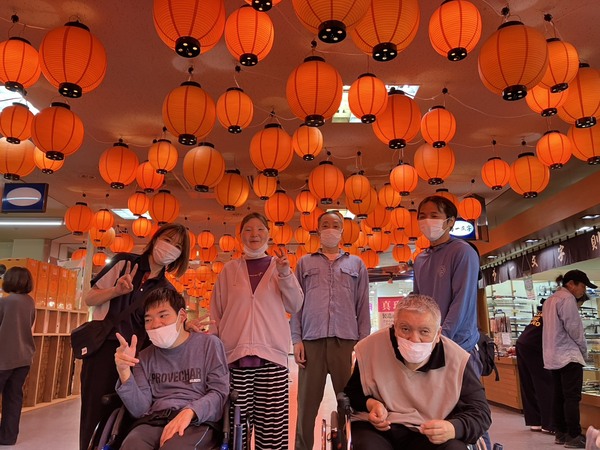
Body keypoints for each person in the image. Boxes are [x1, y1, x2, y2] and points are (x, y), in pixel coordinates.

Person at [79, 223, 190, 450]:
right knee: (94, 413)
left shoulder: (167, 289)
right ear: (156, 239)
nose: (170, 248)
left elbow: (166, 326)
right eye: (168, 240)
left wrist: (187, 326)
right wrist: (116, 291)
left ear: (180, 256)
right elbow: (89, 298)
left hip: (138, 359)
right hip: (103, 351)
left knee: (129, 416)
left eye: (178, 246)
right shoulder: (124, 263)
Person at [344, 294, 491, 450]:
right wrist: (371, 404)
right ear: (394, 327)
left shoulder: (458, 360)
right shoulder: (370, 348)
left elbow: (480, 412)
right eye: (405, 329)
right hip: (376, 429)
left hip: (428, 432)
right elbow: (352, 393)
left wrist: (453, 428)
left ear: (438, 334)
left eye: (424, 331)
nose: (414, 339)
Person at [209, 212, 303, 449]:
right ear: (240, 235)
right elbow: (216, 314)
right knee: (236, 430)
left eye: (260, 229)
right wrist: (214, 353)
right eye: (248, 230)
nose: (254, 234)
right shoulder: (229, 270)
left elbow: (295, 305)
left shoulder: (278, 268)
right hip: (235, 358)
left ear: (268, 234)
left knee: (272, 432)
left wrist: (285, 273)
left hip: (272, 359)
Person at [291, 210, 371, 450]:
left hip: (345, 343)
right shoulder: (304, 263)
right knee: (306, 407)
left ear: (342, 231)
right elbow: (296, 306)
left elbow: (362, 306)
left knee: (350, 403)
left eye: (335, 225)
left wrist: (364, 346)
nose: (330, 229)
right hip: (311, 342)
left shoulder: (356, 264)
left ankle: (352, 446)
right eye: (325, 225)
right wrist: (296, 339)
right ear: (318, 230)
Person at [114, 288, 229, 450]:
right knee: (131, 446)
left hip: (197, 421)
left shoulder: (209, 345)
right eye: (148, 319)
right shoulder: (144, 357)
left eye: (163, 316)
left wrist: (190, 412)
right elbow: (140, 410)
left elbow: (219, 393)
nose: (155, 324)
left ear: (181, 316)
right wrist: (124, 371)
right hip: (153, 421)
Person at [412, 196, 482, 375]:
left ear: (450, 221)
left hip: (459, 347)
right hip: (429, 347)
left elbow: (462, 302)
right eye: (422, 216)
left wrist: (440, 339)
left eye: (434, 215)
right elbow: (417, 302)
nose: (427, 220)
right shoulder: (420, 259)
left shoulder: (463, 251)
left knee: (462, 393)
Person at [542, 269, 596, 448]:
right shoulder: (567, 299)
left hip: (553, 356)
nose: (583, 290)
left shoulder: (550, 300)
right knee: (572, 397)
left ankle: (561, 433)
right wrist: (584, 351)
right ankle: (573, 435)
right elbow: (574, 328)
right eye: (583, 286)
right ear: (571, 284)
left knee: (558, 396)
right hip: (569, 355)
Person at [0, 267, 36, 446]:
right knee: (13, 398)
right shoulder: (30, 302)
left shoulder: (4, 302)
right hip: (24, 358)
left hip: (3, 358)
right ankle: (8, 437)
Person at [515, 298, 555, 433]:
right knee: (545, 384)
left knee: (529, 384)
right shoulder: (552, 313)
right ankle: (549, 424)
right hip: (534, 348)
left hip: (523, 344)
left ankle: (535, 421)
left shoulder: (542, 312)